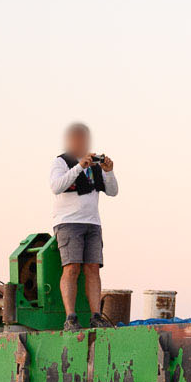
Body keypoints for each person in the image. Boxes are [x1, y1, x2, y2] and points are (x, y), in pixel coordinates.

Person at [48, 122, 117, 325]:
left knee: (93, 268)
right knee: (71, 268)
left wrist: (109, 171)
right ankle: (71, 317)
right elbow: (56, 186)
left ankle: (96, 316)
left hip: (92, 223)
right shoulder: (61, 162)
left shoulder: (95, 165)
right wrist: (80, 166)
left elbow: (112, 191)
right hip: (68, 222)